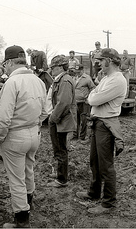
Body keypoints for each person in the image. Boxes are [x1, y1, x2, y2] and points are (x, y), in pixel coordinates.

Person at [0, 45, 49, 228]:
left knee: (16, 179)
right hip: (34, 133)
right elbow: (45, 111)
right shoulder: (38, 81)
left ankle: (21, 220)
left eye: (5, 65)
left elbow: (4, 118)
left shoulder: (12, 83)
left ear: (9, 62)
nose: (5, 69)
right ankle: (29, 203)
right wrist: (35, 125)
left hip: (15, 136)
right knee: (28, 170)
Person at [75, 48, 126, 214]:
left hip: (106, 124)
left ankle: (109, 203)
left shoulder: (117, 80)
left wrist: (93, 96)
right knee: (95, 162)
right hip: (99, 123)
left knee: (106, 165)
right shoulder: (107, 78)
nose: (97, 63)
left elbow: (94, 98)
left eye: (100, 60)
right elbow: (93, 96)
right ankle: (94, 193)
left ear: (109, 61)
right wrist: (93, 95)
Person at [46, 55, 77, 189]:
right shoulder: (61, 79)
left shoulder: (64, 81)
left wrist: (53, 118)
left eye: (53, 67)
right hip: (59, 120)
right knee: (58, 148)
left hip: (60, 120)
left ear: (60, 67)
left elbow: (64, 103)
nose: (51, 70)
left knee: (61, 149)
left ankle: (62, 179)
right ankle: (60, 172)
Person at [72, 63, 95, 142]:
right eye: (76, 71)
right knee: (75, 119)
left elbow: (93, 88)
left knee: (84, 120)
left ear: (82, 70)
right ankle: (75, 135)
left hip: (84, 103)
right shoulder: (74, 78)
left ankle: (82, 136)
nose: (77, 73)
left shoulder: (87, 78)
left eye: (79, 71)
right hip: (76, 102)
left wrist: (88, 98)